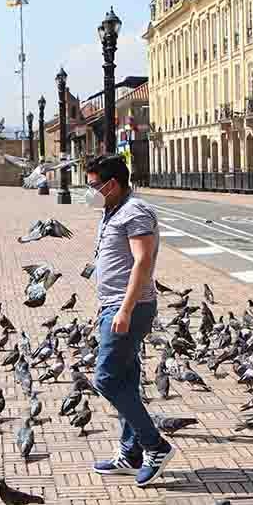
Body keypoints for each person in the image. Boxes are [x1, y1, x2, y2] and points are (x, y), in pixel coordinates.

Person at [85, 153, 173, 486]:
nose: (90, 191)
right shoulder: (113, 209)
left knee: (106, 380)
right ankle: (131, 452)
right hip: (114, 305)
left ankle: (155, 445)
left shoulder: (135, 211)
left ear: (112, 184)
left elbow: (142, 261)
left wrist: (124, 310)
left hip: (128, 308)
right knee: (126, 379)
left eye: (94, 185)